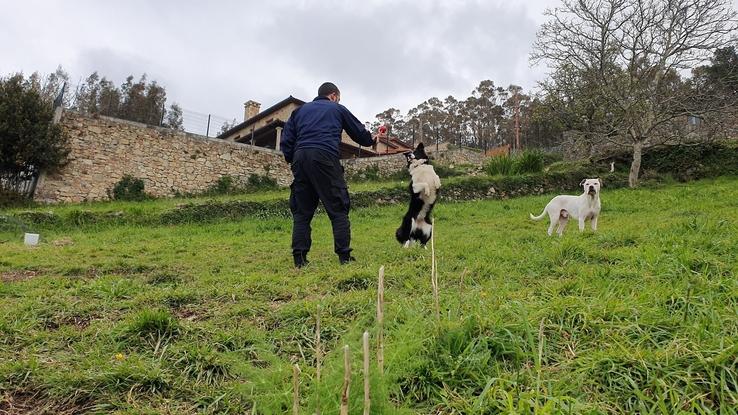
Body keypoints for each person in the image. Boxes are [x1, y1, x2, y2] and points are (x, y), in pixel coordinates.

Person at [280, 82, 382, 268]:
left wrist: (293, 160)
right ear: (334, 95)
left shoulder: (299, 112)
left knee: (302, 212)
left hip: (300, 158)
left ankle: (300, 260)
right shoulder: (337, 109)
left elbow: (286, 140)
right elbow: (359, 134)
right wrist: (372, 139)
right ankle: (344, 256)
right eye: (339, 98)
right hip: (325, 157)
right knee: (338, 208)